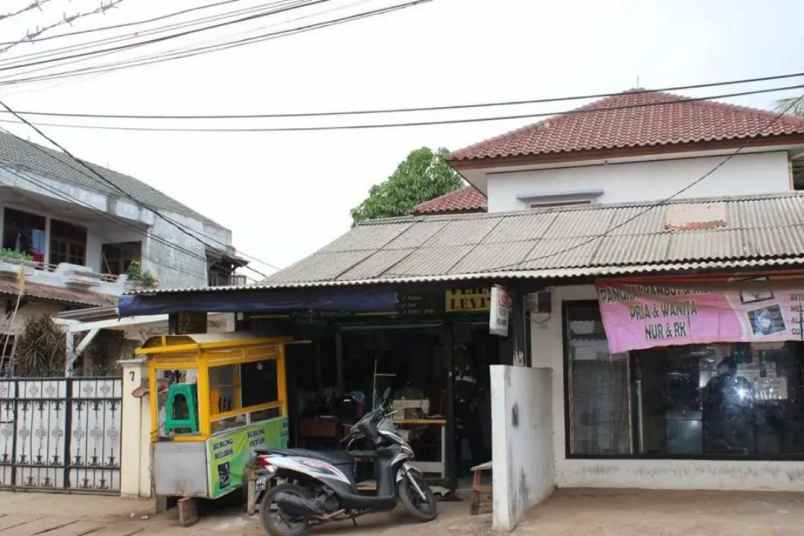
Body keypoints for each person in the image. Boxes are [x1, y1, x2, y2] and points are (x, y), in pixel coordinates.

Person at [703, 356, 755, 455]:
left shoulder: (714, 382)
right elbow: (749, 402)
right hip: (737, 428)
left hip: (721, 429)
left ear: (726, 368)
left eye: (720, 368)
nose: (718, 370)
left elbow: (706, 402)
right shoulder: (742, 382)